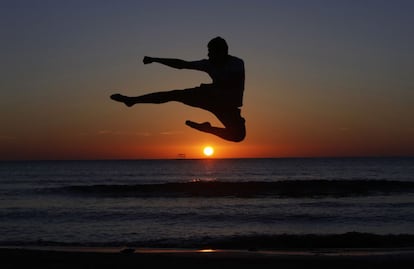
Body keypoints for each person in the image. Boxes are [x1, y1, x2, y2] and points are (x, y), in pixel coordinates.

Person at [110, 36, 246, 142]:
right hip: (209, 97)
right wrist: (155, 59)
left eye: (211, 52)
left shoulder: (236, 63)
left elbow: (232, 83)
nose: (208, 55)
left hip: (226, 106)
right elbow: (181, 64)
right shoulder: (209, 64)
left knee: (238, 136)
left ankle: (207, 129)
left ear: (222, 51)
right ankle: (132, 100)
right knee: (172, 95)